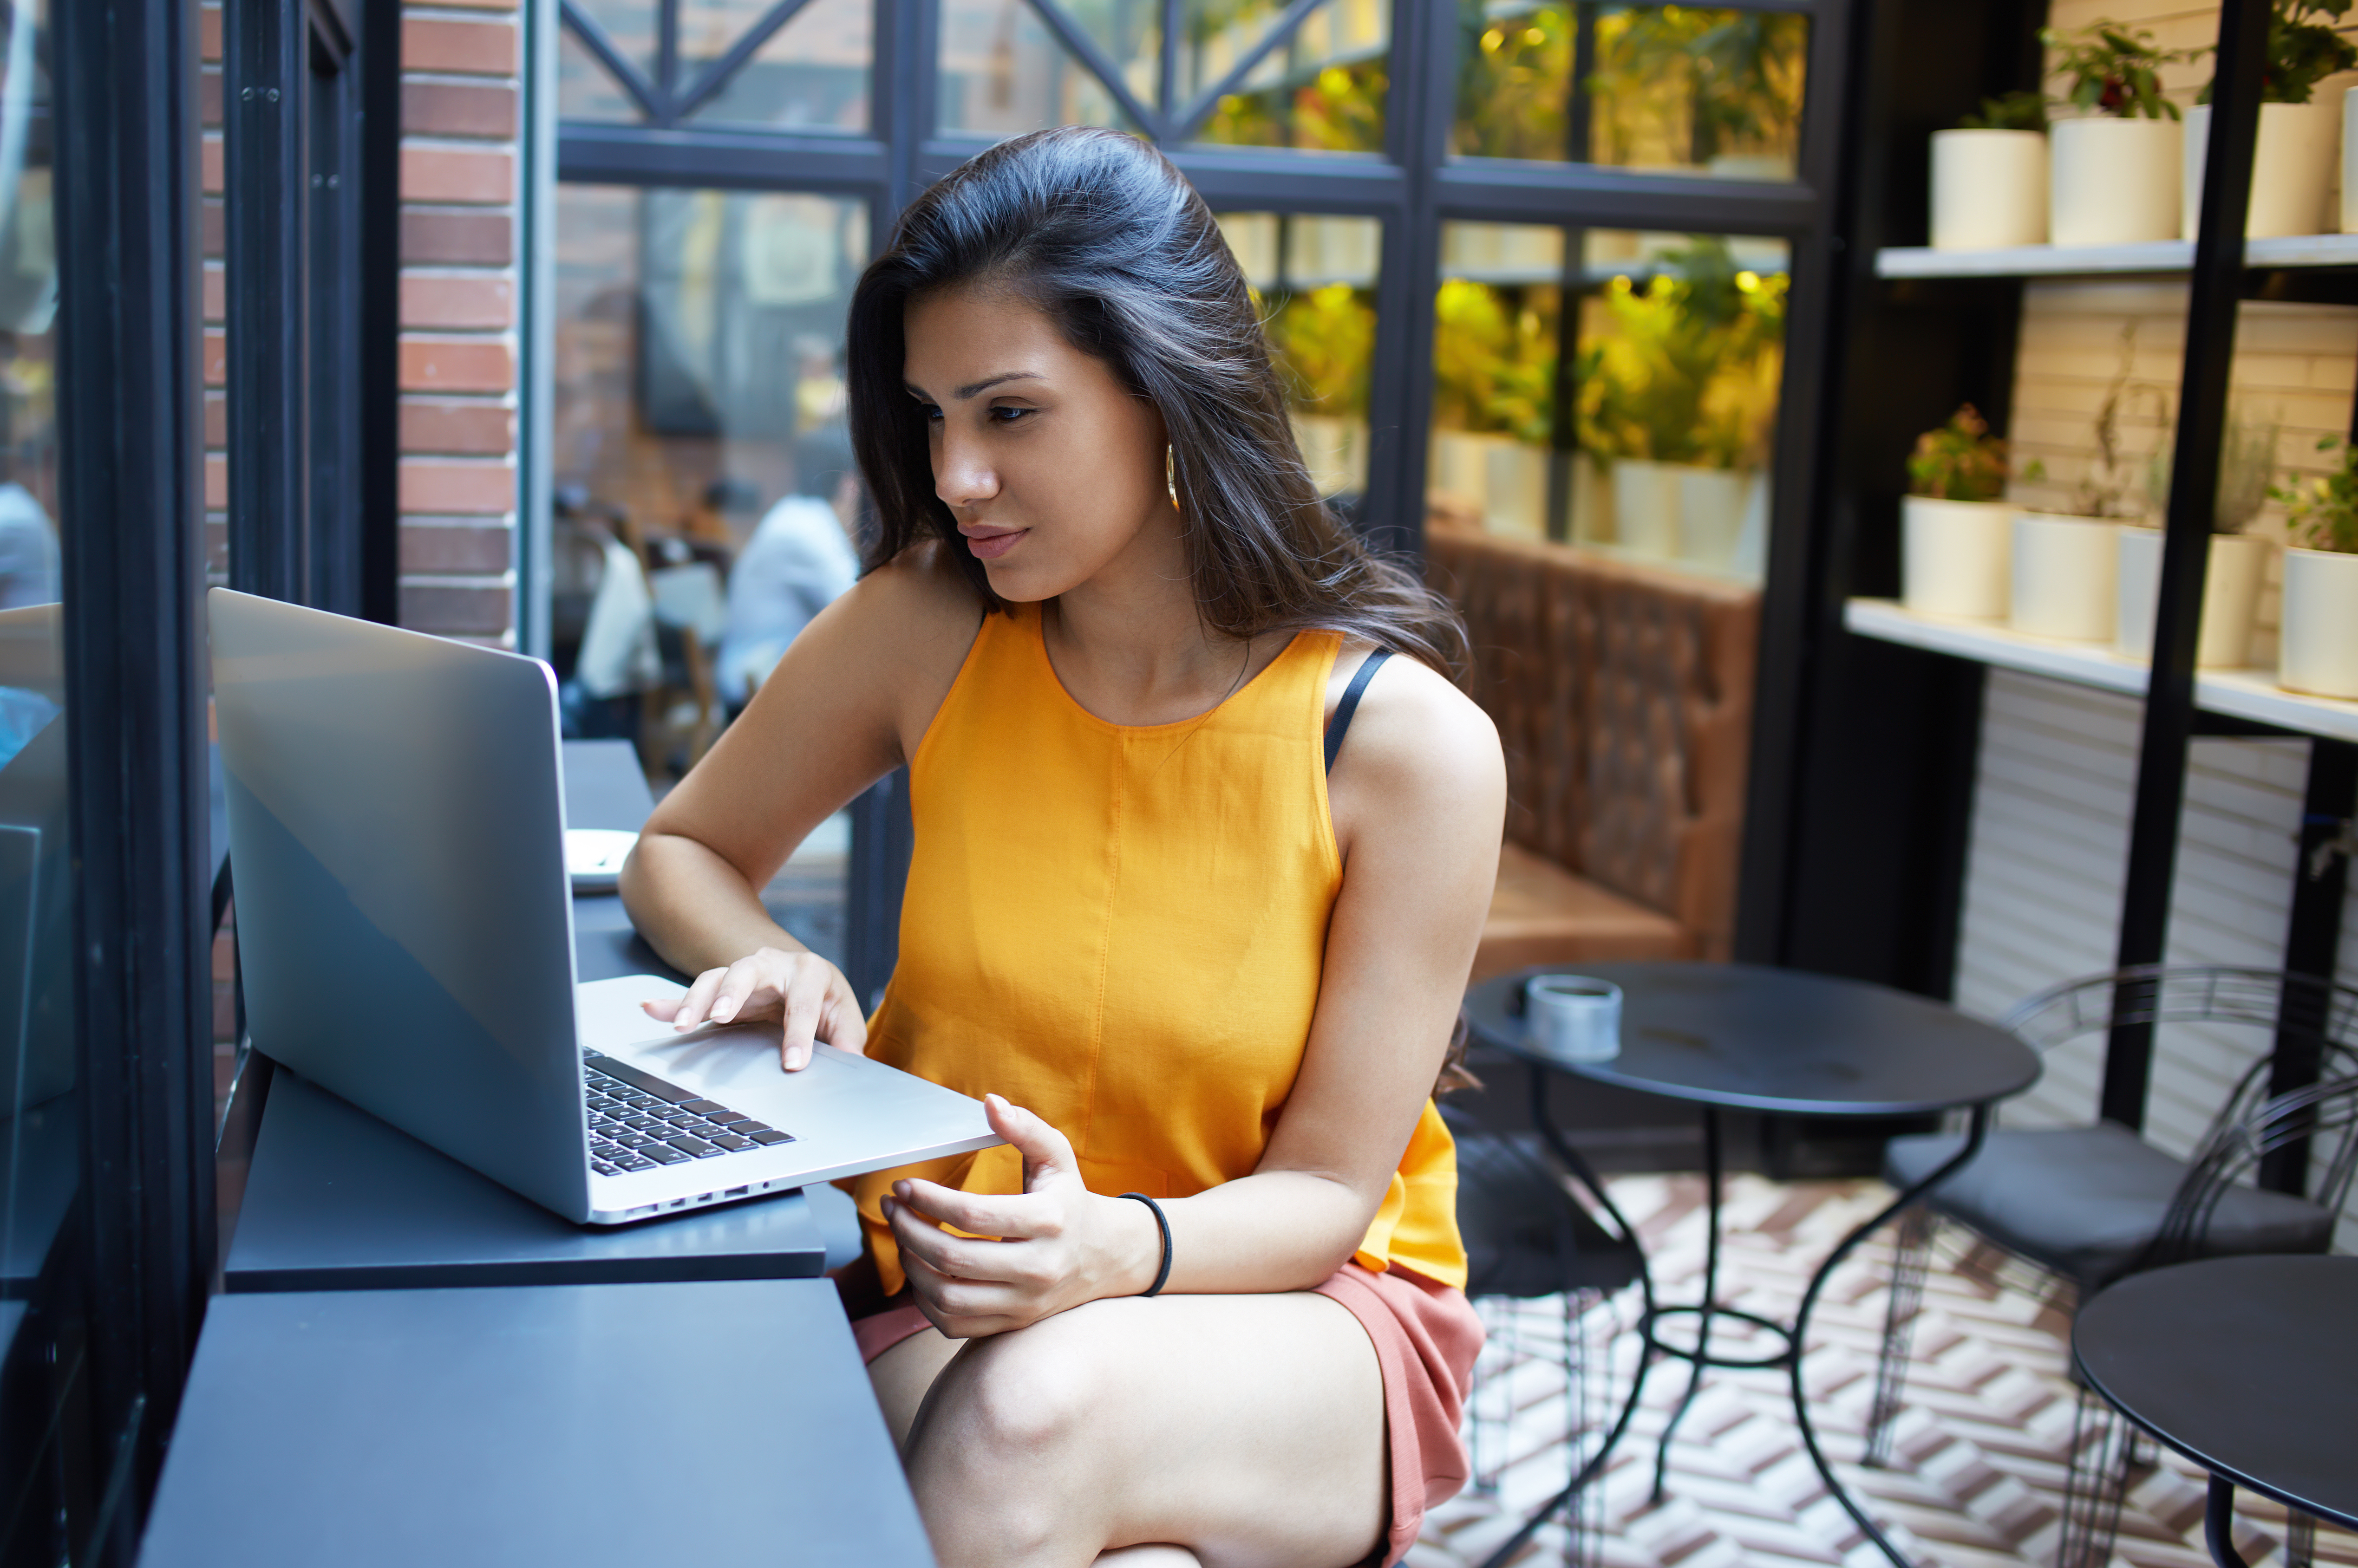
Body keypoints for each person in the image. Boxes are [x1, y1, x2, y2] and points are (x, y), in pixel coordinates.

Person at [620, 126, 1505, 1568]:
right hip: (952, 1276)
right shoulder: (926, 627)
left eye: (1010, 414)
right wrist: (773, 962)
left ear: (1168, 393)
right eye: (929, 418)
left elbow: (1327, 1196)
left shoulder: (1407, 748)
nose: (956, 473)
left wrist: (1119, 1251)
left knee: (1031, 1419)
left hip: (1291, 1304)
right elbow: (685, 849)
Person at [714, 429, 863, 709]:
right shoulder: (807, 528)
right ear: (849, 484)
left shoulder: (795, 514)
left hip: (763, 681)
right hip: (751, 696)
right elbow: (863, 612)